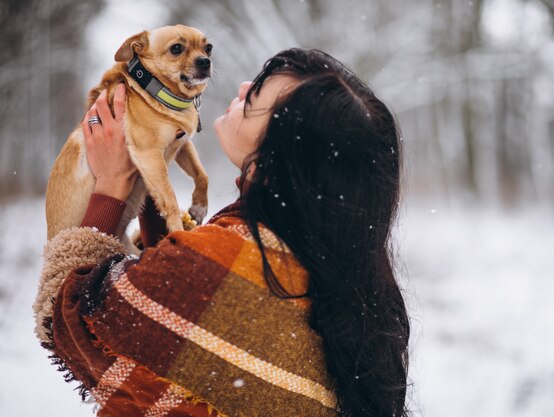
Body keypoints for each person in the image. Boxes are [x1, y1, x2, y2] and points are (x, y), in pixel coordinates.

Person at [34, 48, 410, 417]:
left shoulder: (223, 262)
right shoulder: (327, 260)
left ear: (279, 156)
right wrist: (145, 162)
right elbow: (172, 286)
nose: (244, 86)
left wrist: (112, 185)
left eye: (258, 93)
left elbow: (70, 319)